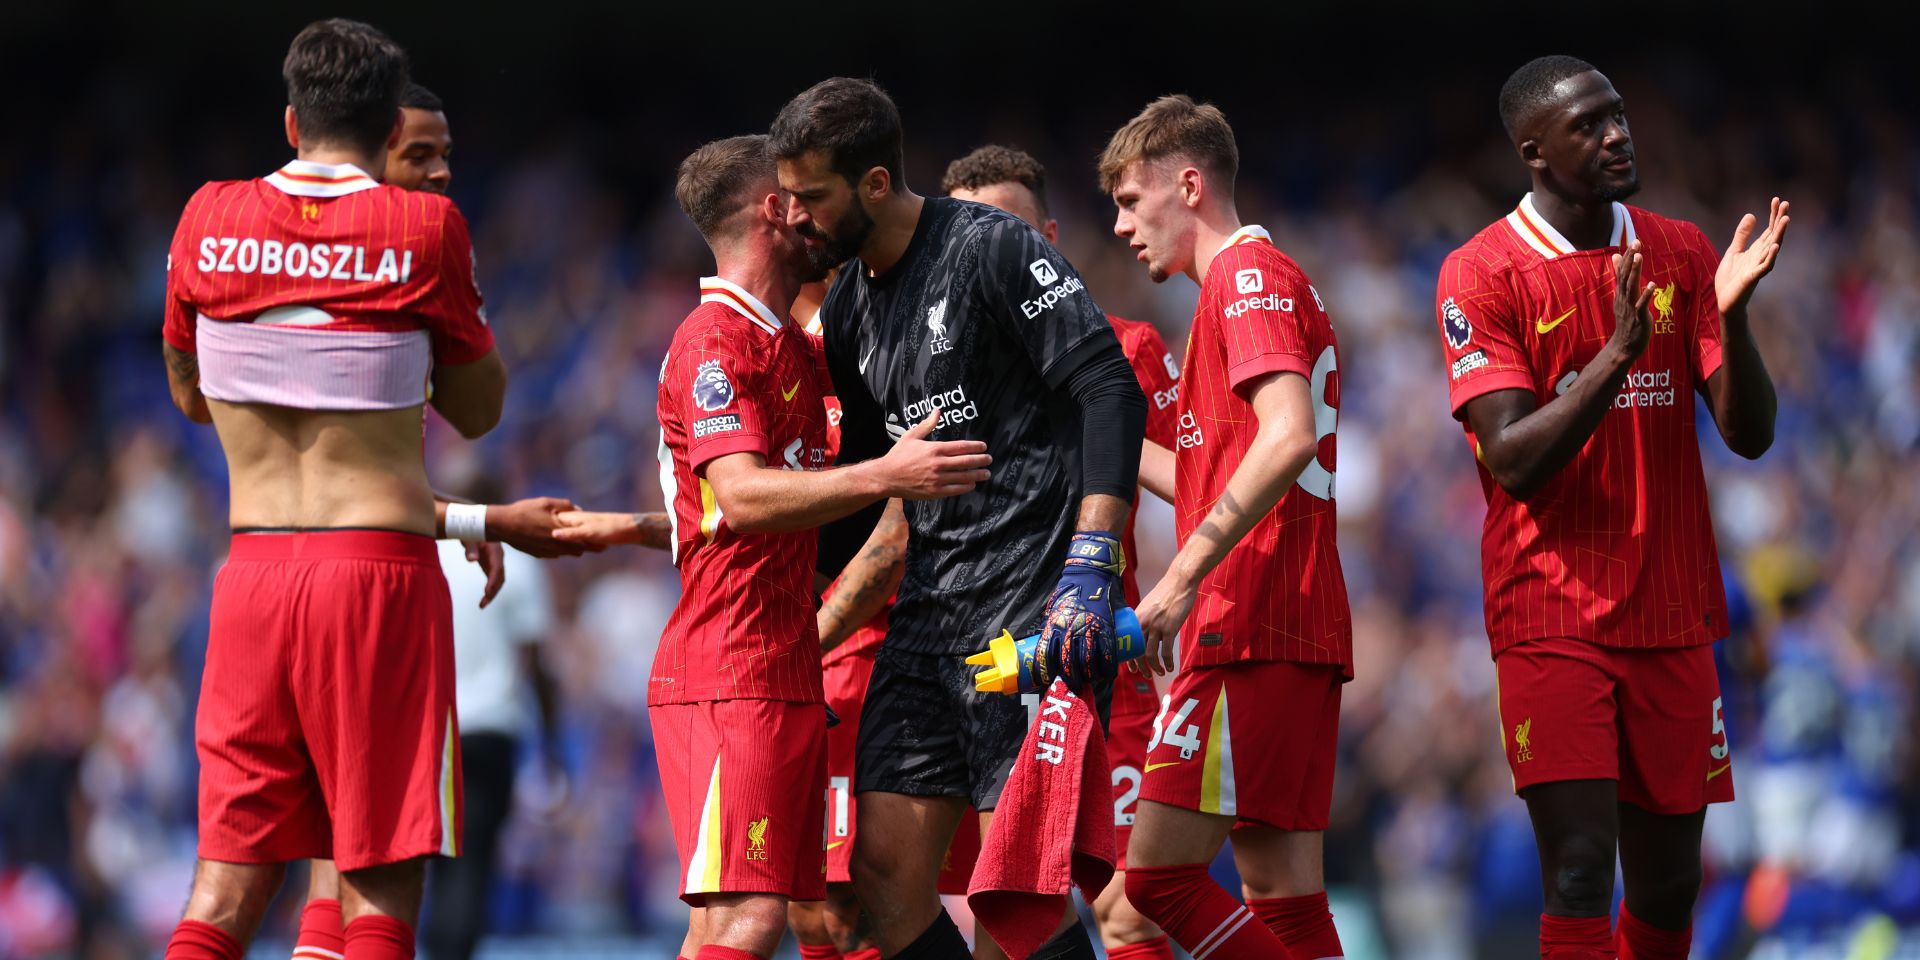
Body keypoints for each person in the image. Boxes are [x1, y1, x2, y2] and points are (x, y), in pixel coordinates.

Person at [553, 134, 990, 960]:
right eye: (803, 192)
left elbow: (734, 515)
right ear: (774, 209)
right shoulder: (715, 342)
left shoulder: (792, 347)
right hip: (729, 669)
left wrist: (646, 528)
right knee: (746, 923)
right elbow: (747, 499)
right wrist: (885, 474)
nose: (820, 207)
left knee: (799, 917)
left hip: (783, 668)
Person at [772, 78, 1147, 960]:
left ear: (872, 184)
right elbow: (861, 492)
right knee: (882, 879)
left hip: (1024, 612)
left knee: (1017, 901)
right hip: (927, 618)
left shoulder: (992, 248)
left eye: (813, 198)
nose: (797, 220)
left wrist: (1093, 559)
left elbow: (1108, 389)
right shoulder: (853, 303)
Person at [158, 19, 509, 960]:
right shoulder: (424, 227)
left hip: (252, 575)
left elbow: (189, 393)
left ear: (290, 120)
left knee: (224, 891)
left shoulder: (206, 218)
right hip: (376, 577)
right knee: (379, 891)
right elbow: (480, 411)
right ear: (390, 128)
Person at [1432, 55, 1787, 960]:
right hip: (1553, 609)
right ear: (1534, 152)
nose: (1617, 134)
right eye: (1588, 125)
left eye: (1618, 115)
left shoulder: (1679, 250)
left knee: (1670, 888)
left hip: (1671, 610)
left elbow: (1748, 434)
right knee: (1583, 870)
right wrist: (1617, 356)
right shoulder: (1481, 274)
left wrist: (1733, 319)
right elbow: (1512, 462)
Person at [289, 80, 586, 960]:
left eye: (445, 155)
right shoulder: (401, 262)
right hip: (358, 581)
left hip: (302, 570)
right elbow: (478, 410)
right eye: (420, 154)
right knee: (384, 869)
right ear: (368, 151)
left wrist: (468, 524)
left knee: (327, 858)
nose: (442, 174)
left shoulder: (336, 263)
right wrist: (483, 522)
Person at [1100, 94, 1351, 960]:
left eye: (1133, 202)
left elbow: (1287, 435)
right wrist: (1106, 444)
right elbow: (1213, 479)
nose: (1123, 226)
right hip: (1295, 621)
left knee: (1156, 883)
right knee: (1282, 893)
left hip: (1252, 619)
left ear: (1191, 185)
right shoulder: (1255, 287)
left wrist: (1175, 584)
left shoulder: (1245, 280)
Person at [941, 143, 1181, 960]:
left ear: (1048, 239)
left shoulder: (1129, 348)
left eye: (1012, 231)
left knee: (1130, 908)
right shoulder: (934, 375)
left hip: (1103, 660)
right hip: (989, 676)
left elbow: (1197, 485)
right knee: (1011, 917)